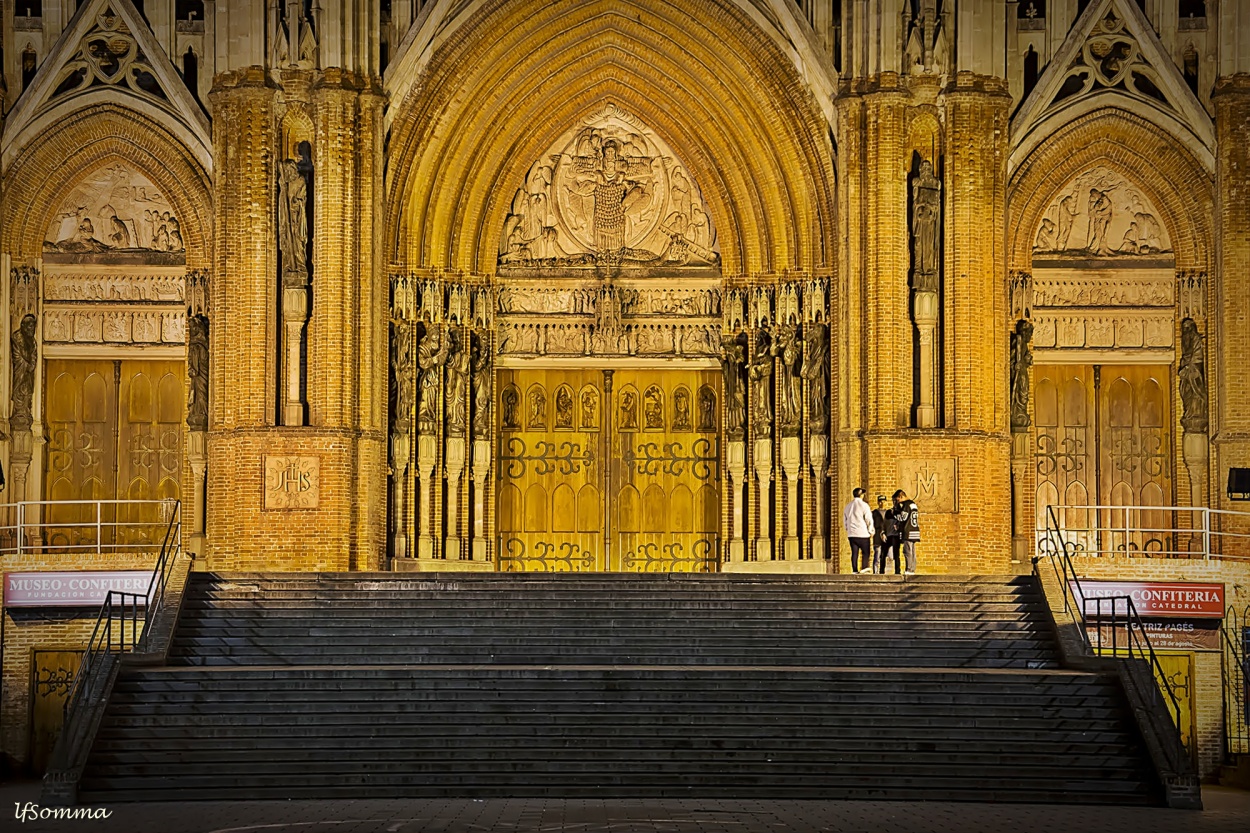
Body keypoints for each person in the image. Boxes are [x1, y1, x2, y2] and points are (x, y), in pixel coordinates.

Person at [841, 488, 874, 574]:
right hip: (862, 533)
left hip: (852, 534)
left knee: (854, 552)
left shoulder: (848, 506)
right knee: (866, 552)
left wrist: (848, 529)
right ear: (861, 495)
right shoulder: (864, 505)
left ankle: (854, 570)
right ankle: (864, 567)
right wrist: (870, 531)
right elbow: (868, 519)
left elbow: (845, 520)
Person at [892, 489, 921, 575]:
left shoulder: (906, 504)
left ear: (901, 496)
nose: (897, 502)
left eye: (897, 500)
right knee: (912, 551)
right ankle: (912, 568)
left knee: (907, 551)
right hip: (915, 530)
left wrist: (894, 514)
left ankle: (909, 569)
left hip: (908, 531)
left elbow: (903, 517)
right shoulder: (913, 504)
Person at [871, 495, 891, 574]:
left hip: (887, 537)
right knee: (877, 555)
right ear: (878, 502)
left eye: (884, 501)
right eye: (880, 501)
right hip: (877, 537)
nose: (882, 503)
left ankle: (887, 572)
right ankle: (876, 572)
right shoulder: (874, 513)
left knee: (889, 556)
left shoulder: (889, 513)